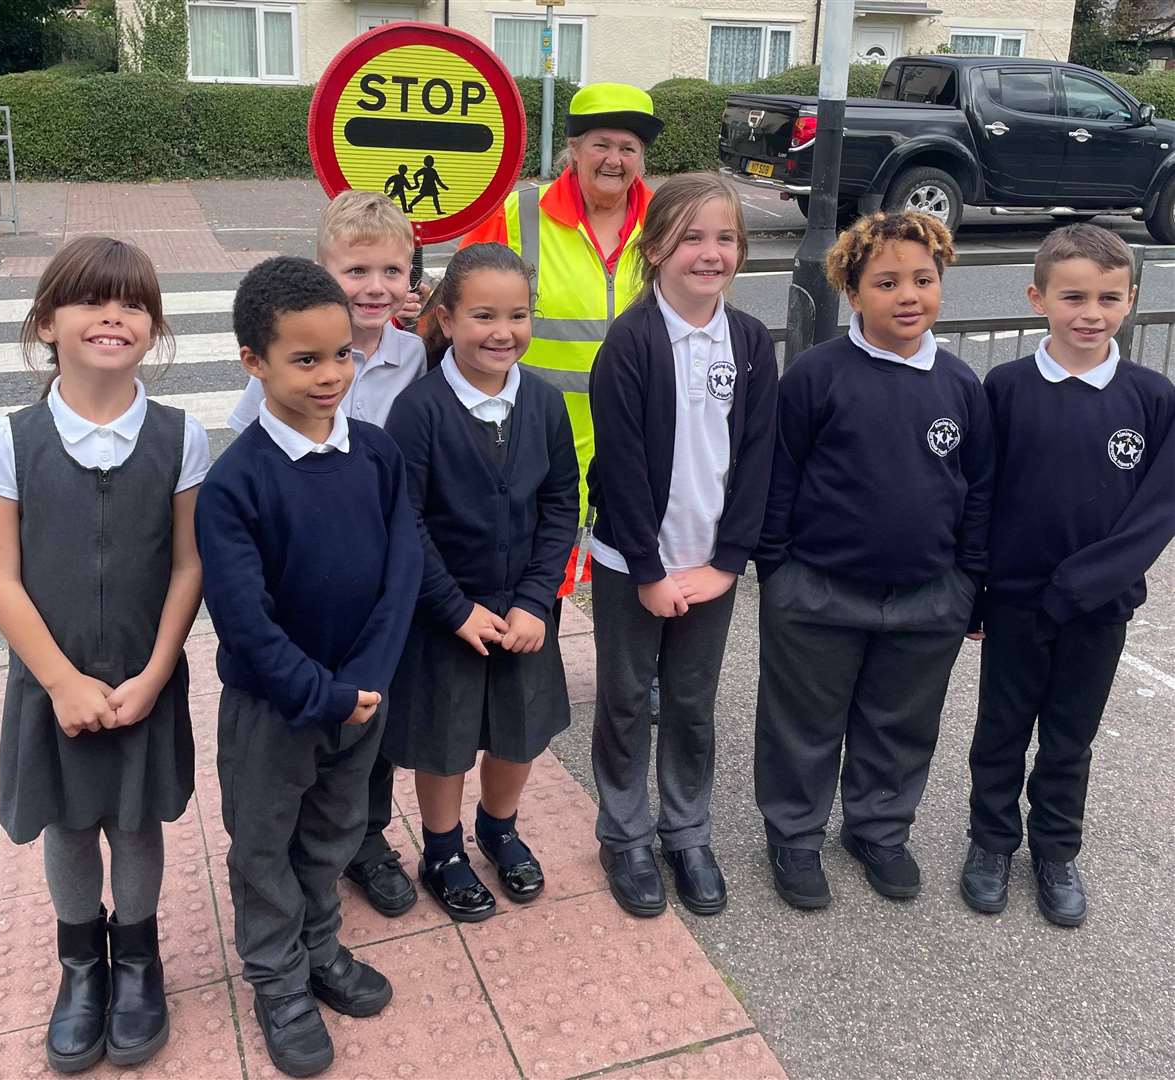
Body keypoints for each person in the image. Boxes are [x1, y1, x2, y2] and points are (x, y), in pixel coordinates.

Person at [0, 236, 207, 1073]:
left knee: (137, 821)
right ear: (46, 323)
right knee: (71, 824)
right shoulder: (11, 440)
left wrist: (154, 672)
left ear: (153, 327)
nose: (114, 314)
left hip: (147, 680)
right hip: (51, 684)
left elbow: (188, 564)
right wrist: (61, 680)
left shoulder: (181, 436)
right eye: (90, 300)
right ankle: (81, 965)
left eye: (134, 302)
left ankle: (138, 959)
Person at [196, 257, 423, 1078]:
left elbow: (402, 568)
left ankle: (320, 949)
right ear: (253, 362)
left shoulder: (375, 455)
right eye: (304, 359)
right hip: (276, 709)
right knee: (263, 845)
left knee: (332, 833)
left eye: (341, 356)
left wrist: (366, 680)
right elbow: (244, 619)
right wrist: (320, 693)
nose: (330, 375)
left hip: (362, 698)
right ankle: (278, 979)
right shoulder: (236, 484)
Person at [754, 212, 995, 910]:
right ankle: (794, 836)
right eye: (886, 282)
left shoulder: (959, 386)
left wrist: (965, 582)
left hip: (927, 596)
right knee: (803, 723)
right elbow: (779, 477)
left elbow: (976, 490)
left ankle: (877, 828)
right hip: (818, 591)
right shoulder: (815, 376)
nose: (908, 295)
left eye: (922, 279)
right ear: (852, 291)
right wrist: (777, 571)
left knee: (899, 724)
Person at [959, 224, 1175, 927]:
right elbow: (981, 493)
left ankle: (1054, 850)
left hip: (1097, 607)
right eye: (1073, 296)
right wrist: (974, 589)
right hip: (1017, 602)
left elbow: (1154, 513)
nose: (1090, 312)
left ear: (1130, 300)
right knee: (998, 730)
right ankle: (990, 842)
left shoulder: (1150, 396)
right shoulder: (1007, 387)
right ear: (1037, 298)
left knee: (1068, 736)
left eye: (1108, 298)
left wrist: (1083, 585)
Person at [228, 192, 427, 922]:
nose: (375, 287)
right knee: (311, 734)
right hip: (309, 580)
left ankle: (365, 841)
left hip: (390, 568)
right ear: (323, 273)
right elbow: (254, 464)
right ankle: (310, 861)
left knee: (377, 719)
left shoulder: (419, 353)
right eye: (355, 270)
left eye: (391, 271)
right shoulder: (288, 364)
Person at [587, 173, 778, 918]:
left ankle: (686, 832)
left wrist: (727, 561)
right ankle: (624, 832)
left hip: (710, 567)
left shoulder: (750, 341)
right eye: (691, 237)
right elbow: (622, 467)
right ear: (656, 247)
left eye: (724, 237)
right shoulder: (630, 343)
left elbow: (758, 456)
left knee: (693, 704)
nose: (710, 253)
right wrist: (646, 568)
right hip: (633, 562)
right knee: (627, 699)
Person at [381, 243, 579, 923]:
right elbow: (405, 519)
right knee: (444, 737)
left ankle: (499, 827)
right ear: (445, 318)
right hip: (446, 616)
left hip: (524, 614)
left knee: (516, 731)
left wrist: (535, 601)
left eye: (517, 315)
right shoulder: (419, 410)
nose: (502, 331)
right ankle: (441, 848)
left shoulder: (546, 406)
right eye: (483, 315)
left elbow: (561, 506)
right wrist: (452, 607)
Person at [460, 82, 664, 600]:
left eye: (628, 148)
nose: (614, 160)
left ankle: (637, 681)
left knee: (639, 573)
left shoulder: (668, 222)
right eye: (601, 144)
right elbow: (462, 308)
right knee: (533, 576)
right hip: (532, 435)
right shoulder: (514, 215)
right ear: (572, 148)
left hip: (638, 437)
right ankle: (531, 677)